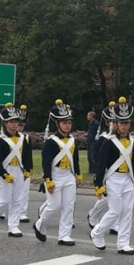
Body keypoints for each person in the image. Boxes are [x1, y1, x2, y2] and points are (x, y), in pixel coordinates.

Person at [90, 97, 134, 254]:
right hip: (113, 178)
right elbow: (101, 164)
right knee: (115, 211)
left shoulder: (132, 141)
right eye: (122, 123)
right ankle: (97, 232)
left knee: (127, 212)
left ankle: (123, 243)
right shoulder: (109, 141)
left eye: (127, 123)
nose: (124, 126)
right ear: (116, 124)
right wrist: (98, 184)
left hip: (128, 179)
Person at [34, 99, 81, 245]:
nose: (67, 125)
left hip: (68, 175)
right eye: (64, 122)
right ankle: (40, 224)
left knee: (69, 206)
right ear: (58, 124)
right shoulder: (51, 141)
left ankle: (64, 235)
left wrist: (78, 174)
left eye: (69, 122)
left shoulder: (72, 140)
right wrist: (48, 179)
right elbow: (46, 162)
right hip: (55, 175)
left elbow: (75, 159)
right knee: (53, 205)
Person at [0, 103, 33, 237]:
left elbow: (27, 155)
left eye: (16, 121)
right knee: (5, 200)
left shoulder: (23, 139)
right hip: (5, 170)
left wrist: (27, 170)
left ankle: (13, 226)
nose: (14, 124)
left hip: (19, 170)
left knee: (17, 200)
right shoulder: (0, 140)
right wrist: (4, 174)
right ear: (5, 124)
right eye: (11, 122)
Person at [86, 101, 116, 231]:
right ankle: (93, 214)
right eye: (113, 122)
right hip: (107, 172)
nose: (115, 125)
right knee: (106, 197)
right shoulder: (104, 138)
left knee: (117, 202)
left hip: (119, 173)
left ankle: (115, 225)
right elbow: (99, 159)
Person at [15, 105, 31, 223]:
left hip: (22, 168)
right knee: (11, 192)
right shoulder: (6, 138)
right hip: (10, 167)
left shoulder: (26, 137)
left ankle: (22, 212)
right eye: (18, 125)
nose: (20, 127)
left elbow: (28, 155)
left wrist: (28, 169)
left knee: (24, 191)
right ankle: (7, 211)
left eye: (22, 125)